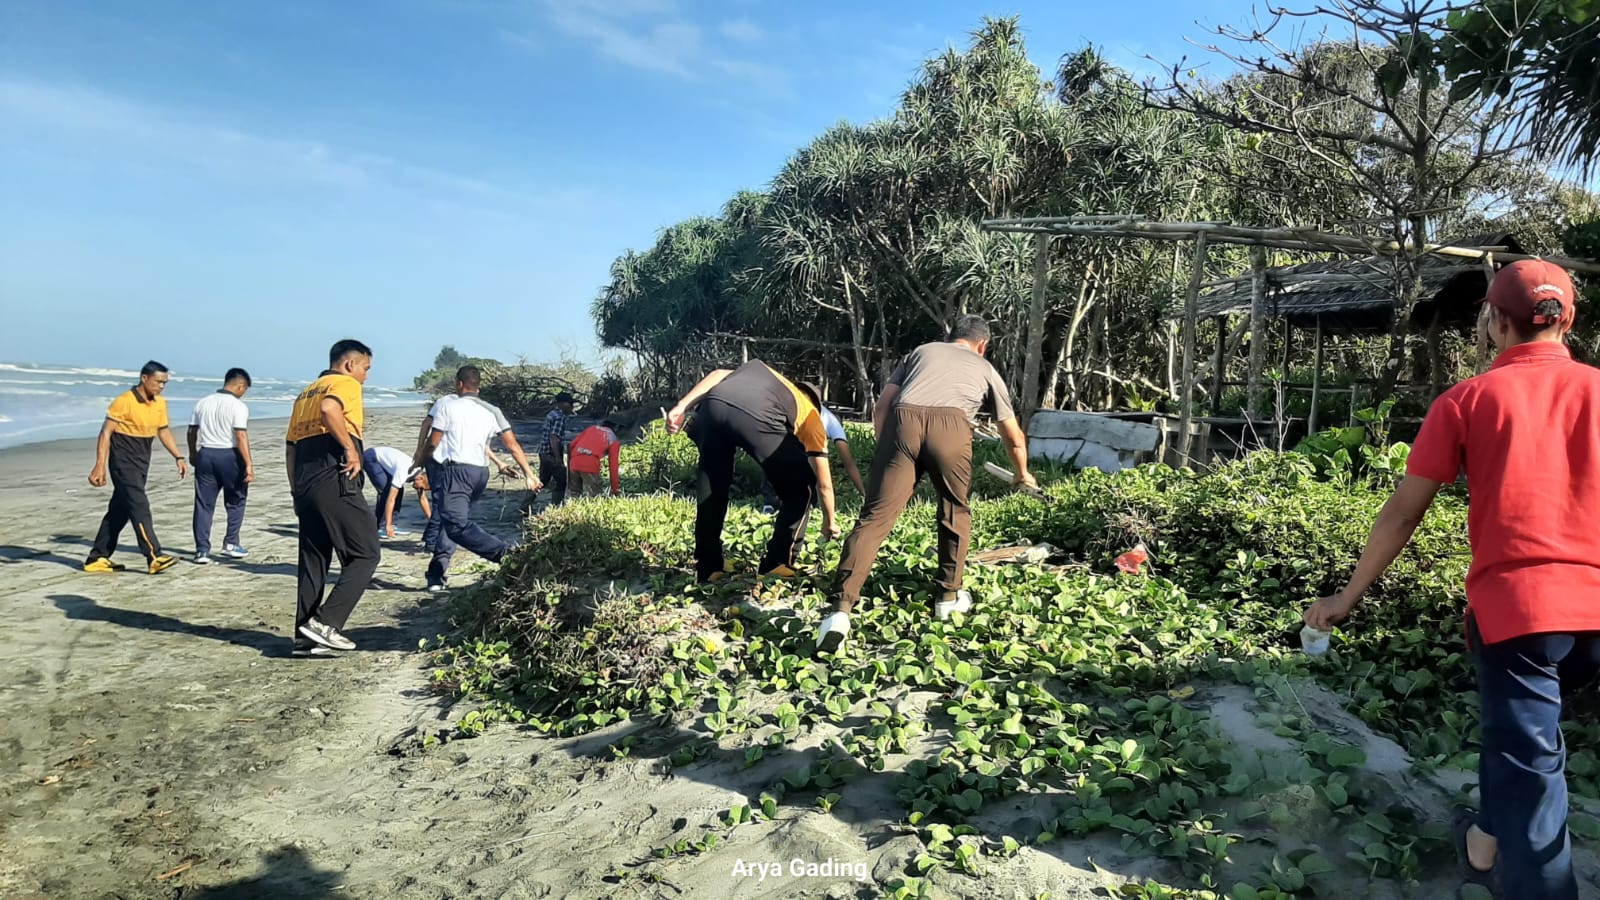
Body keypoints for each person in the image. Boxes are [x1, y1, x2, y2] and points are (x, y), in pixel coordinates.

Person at [1303, 260, 1600, 900]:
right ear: (1568, 319)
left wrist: (1347, 595)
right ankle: (1483, 848)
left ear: (1493, 321)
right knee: (1522, 747)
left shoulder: (1466, 401)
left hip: (1520, 616)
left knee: (1533, 777)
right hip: (1593, 610)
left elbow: (1404, 512)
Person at [817, 315, 1036, 652]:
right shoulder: (985, 367)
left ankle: (839, 611)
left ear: (951, 337)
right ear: (983, 345)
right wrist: (1022, 473)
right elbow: (1012, 433)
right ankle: (948, 598)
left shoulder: (920, 352)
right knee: (954, 509)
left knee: (875, 517)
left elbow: (882, 406)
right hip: (952, 424)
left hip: (903, 420)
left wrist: (887, 447)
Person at [664, 359, 839, 583]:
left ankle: (709, 568)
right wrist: (830, 521)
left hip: (712, 406)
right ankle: (778, 562)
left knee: (714, 487)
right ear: (816, 404)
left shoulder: (764, 374)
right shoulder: (810, 415)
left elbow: (717, 374)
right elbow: (823, 484)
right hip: (758, 414)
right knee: (802, 489)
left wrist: (681, 406)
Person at [286, 339, 381, 658]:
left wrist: (295, 489)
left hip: (304, 481)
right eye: (366, 368)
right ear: (351, 364)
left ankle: (304, 637)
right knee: (366, 553)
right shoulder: (345, 384)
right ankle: (326, 624)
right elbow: (330, 409)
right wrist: (351, 449)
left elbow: (290, 447)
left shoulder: (305, 393)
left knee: (313, 562)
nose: (366, 376)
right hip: (335, 475)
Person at [416, 365, 539, 592]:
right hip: (479, 474)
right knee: (451, 520)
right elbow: (511, 445)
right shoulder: (491, 411)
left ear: (459, 384)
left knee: (455, 524)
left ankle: (507, 555)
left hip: (455, 472)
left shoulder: (446, 405)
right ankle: (436, 573)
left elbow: (432, 440)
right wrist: (528, 474)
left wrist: (418, 461)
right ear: (478, 387)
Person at [84, 361, 186, 574]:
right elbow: (105, 433)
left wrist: (178, 456)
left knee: (120, 509)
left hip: (142, 458)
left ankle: (97, 557)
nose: (161, 386)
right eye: (159, 382)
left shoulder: (159, 403)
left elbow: (163, 431)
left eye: (165, 383)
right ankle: (154, 555)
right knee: (139, 504)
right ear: (144, 378)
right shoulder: (124, 401)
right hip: (122, 459)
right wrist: (99, 466)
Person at [188, 367, 254, 564]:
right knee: (236, 500)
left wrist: (193, 452)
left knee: (203, 504)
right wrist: (249, 464)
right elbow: (240, 435)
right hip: (229, 455)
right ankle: (231, 543)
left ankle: (202, 550)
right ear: (240, 386)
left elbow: (192, 431)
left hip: (206, 452)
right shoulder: (238, 406)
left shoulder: (203, 402)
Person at [761, 403, 865, 510]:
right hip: (794, 422)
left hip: (785, 415)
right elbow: (849, 464)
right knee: (809, 467)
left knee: (778, 458)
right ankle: (803, 504)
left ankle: (774, 503)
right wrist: (863, 493)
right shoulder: (835, 427)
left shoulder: (824, 415)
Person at [362, 445, 432, 538]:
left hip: (385, 460)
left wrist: (431, 521)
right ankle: (382, 527)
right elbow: (391, 499)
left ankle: (393, 525)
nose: (419, 490)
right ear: (420, 478)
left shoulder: (418, 473)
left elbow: (422, 499)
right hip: (372, 457)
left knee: (399, 489)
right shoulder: (403, 473)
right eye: (421, 487)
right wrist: (388, 524)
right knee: (386, 492)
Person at [538, 391, 575, 508]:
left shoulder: (552, 414)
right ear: (563, 404)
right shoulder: (559, 417)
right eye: (570, 405)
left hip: (543, 451)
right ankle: (556, 506)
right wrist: (558, 459)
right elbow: (554, 438)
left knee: (542, 480)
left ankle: (525, 505)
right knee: (561, 480)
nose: (571, 408)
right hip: (551, 452)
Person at [567, 419, 622, 498]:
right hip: (590, 463)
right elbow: (613, 467)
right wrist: (615, 490)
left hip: (574, 462)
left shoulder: (591, 429)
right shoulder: (613, 439)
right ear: (616, 428)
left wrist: (570, 465)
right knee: (595, 496)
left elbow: (572, 445)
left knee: (574, 494)